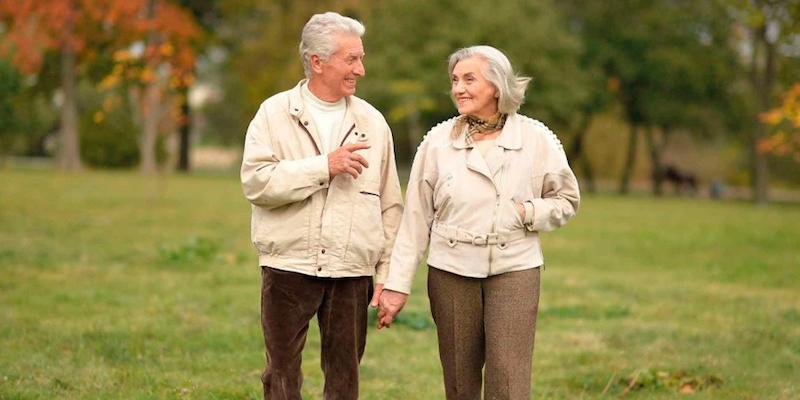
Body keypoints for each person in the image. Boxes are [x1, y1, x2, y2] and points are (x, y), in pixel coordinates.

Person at [378, 45, 580, 399]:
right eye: (455, 80)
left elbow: (567, 200)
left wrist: (526, 213)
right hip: (450, 269)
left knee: (509, 379)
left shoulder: (536, 139)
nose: (458, 88)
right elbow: (414, 220)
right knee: (460, 380)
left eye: (469, 79)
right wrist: (396, 285)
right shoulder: (437, 143)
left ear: (497, 86)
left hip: (515, 267)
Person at [240, 12, 403, 400]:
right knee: (280, 375)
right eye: (351, 59)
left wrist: (386, 274)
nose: (361, 69)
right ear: (318, 61)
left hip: (352, 270)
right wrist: (323, 167)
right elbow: (256, 182)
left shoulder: (375, 123)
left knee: (345, 377)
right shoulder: (273, 113)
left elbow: (391, 206)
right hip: (288, 266)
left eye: (361, 58)